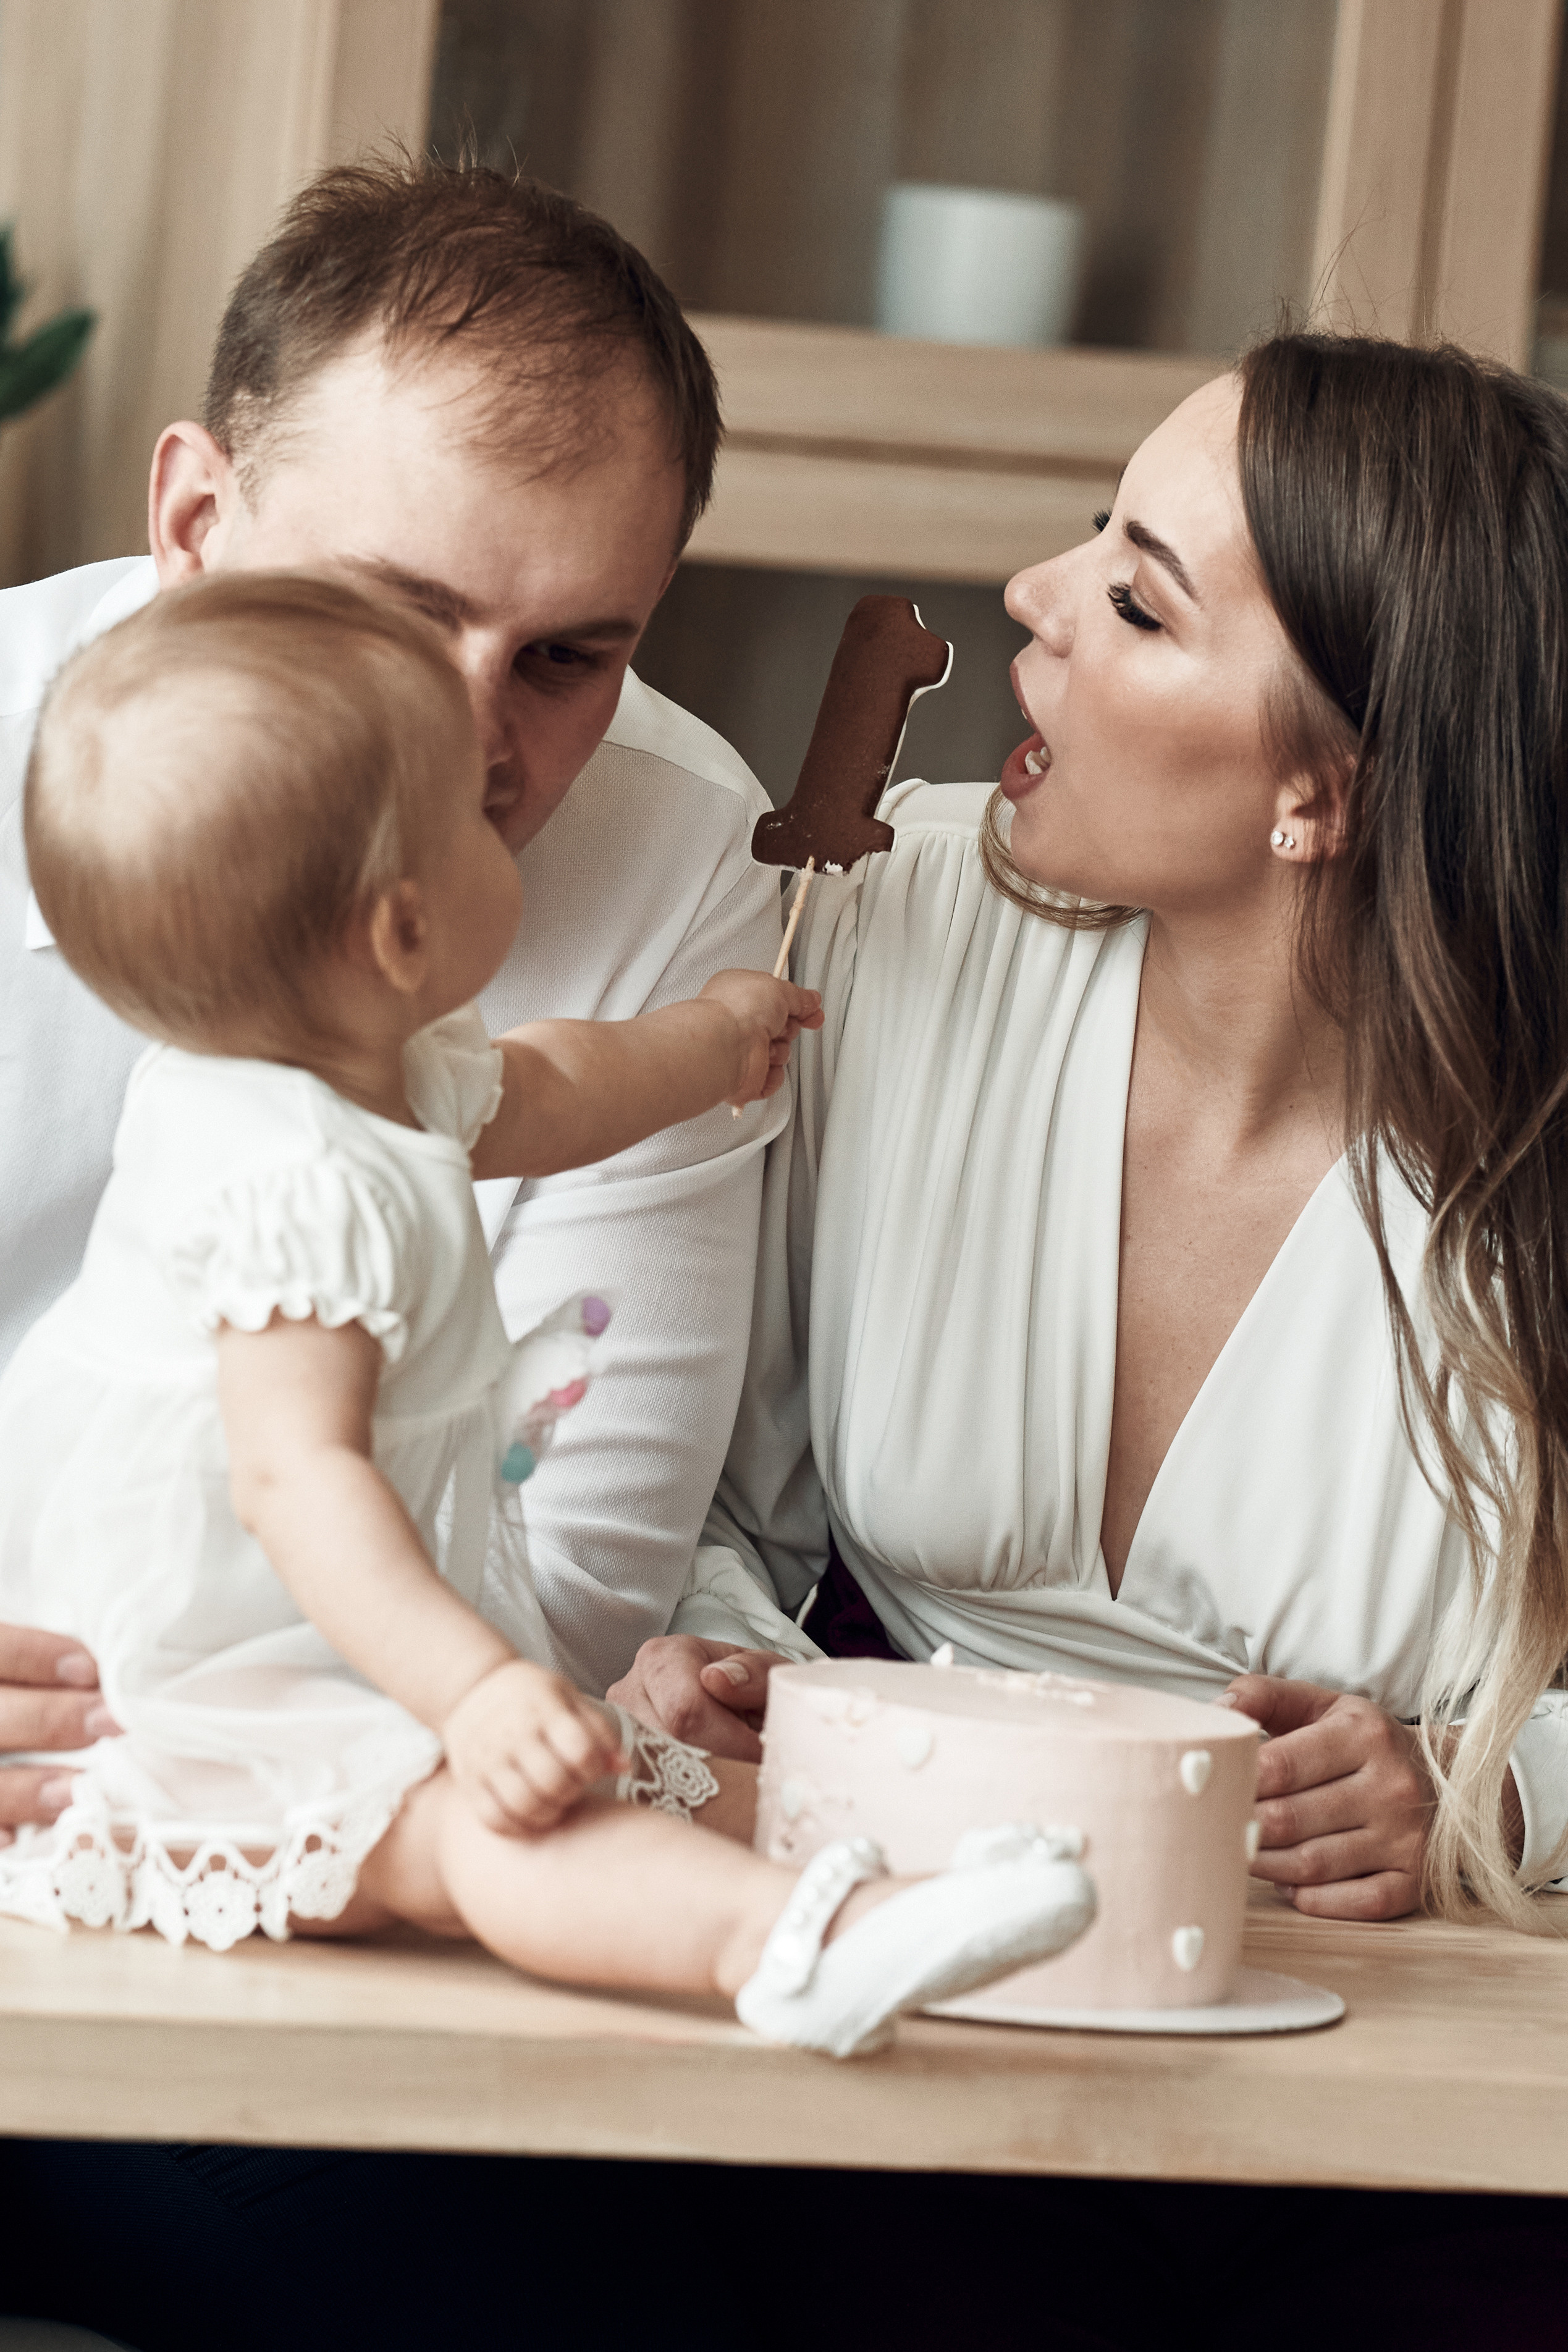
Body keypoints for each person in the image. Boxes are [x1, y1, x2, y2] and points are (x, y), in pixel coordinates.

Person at [0, 570, 1094, 2057]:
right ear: (402, 931)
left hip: (321, 1627)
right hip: (215, 1684)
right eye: (472, 816)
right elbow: (297, 1480)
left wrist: (710, 1037)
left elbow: (557, 1082)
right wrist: (474, 1688)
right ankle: (797, 1951)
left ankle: (899, 1885)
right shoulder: (289, 1177)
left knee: (618, 1781)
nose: (512, 809)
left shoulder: (379, 1069)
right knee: (487, 1827)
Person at [617, 330, 1568, 1929]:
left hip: (1355, 1978)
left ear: (1321, 795)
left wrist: (1501, 1784)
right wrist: (733, 1671)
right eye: (1092, 536)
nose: (1029, 595)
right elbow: (717, 1506)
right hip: (876, 1896)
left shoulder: (1535, 1147)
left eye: (1137, 602)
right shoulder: (880, 928)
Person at [0, 154, 786, 1842]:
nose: (476, 746)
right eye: (390, 613)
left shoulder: (678, 849)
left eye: (566, 656)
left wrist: (174, 1755)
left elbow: (568, 1568)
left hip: (344, 1783)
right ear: (195, 523)